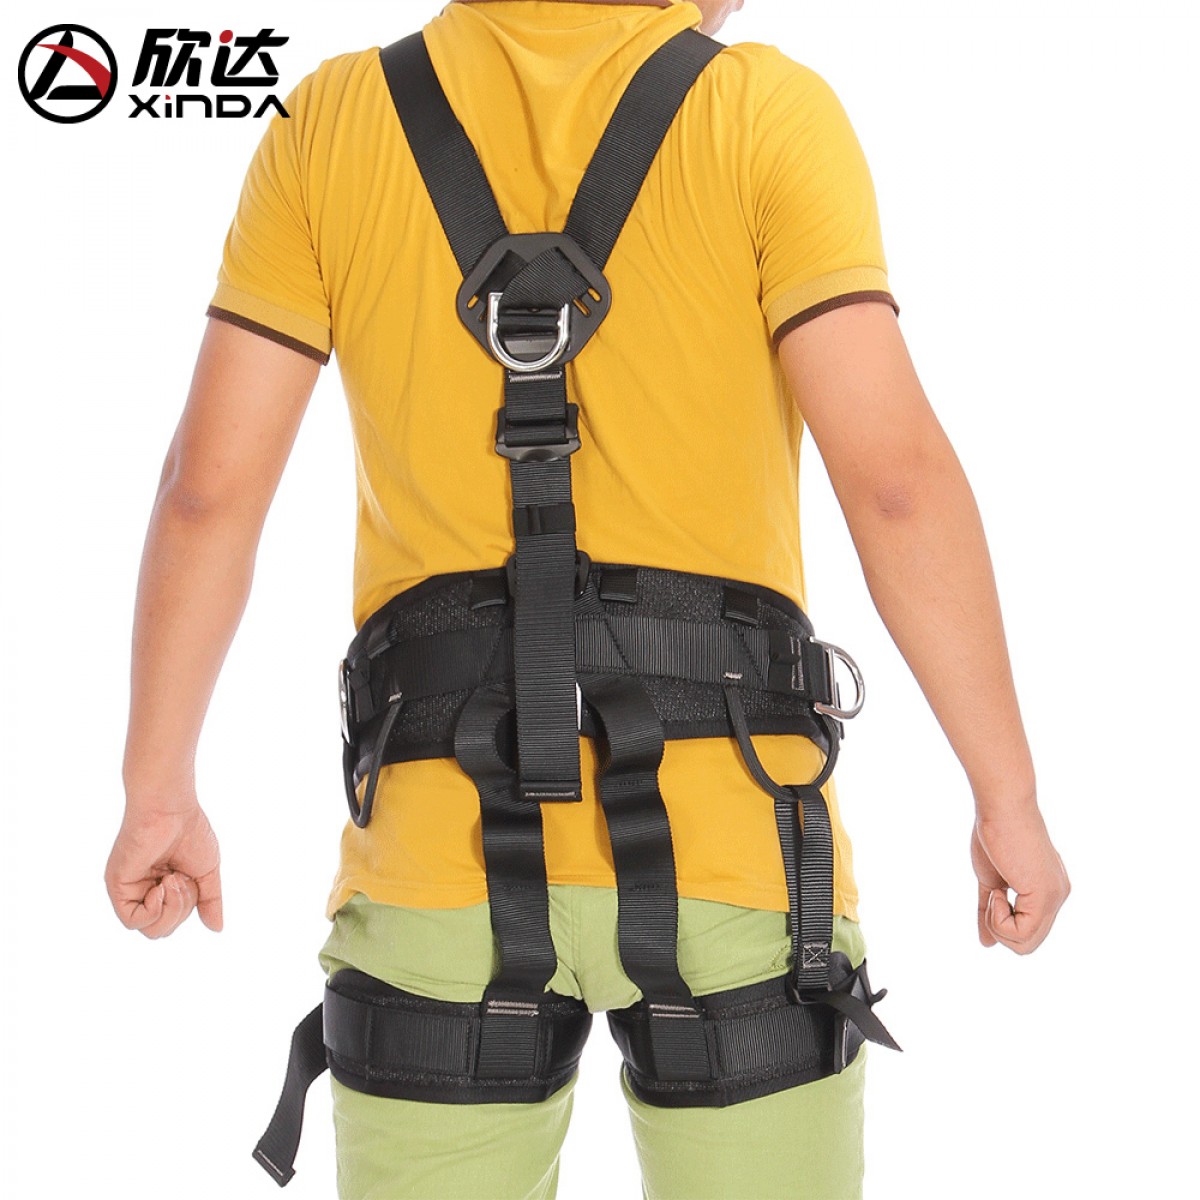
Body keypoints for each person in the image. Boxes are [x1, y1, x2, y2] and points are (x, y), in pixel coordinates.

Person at [104, 1, 1070, 1196]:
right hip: (735, 856)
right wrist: (1007, 796)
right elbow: (897, 487)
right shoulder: (762, 113)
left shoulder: (334, 122)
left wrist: (157, 789)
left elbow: (206, 494)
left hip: (438, 857)